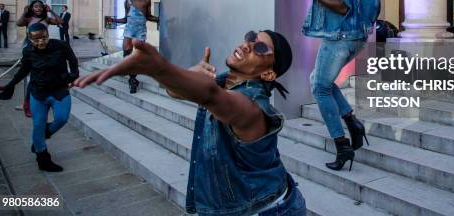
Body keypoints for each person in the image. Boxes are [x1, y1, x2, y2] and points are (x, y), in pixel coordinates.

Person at [74, 30, 306, 216]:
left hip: (266, 209)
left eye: (261, 48)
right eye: (251, 37)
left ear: (267, 74)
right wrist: (187, 75)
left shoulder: (253, 108)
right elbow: (181, 93)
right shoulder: (225, 81)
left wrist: (158, 67)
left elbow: (210, 96)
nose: (247, 45)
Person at [302, 0, 383, 171]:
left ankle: (342, 145)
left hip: (339, 37)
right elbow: (376, 7)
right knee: (321, 80)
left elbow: (342, 5)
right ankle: (353, 123)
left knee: (319, 87)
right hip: (360, 36)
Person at [0, 23, 78, 172]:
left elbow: (73, 61)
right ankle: (42, 157)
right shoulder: (28, 51)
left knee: (61, 118)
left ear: (48, 35)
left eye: (44, 38)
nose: (40, 42)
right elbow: (23, 71)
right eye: (36, 40)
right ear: (30, 39)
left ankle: (43, 134)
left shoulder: (61, 46)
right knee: (38, 125)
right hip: (38, 93)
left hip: (59, 90)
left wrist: (72, 76)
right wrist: (11, 85)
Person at [16, 0, 63, 117]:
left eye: (40, 7)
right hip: (30, 49)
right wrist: (24, 12)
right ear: (32, 8)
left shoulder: (46, 19)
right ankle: (27, 104)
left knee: (37, 77)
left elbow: (60, 21)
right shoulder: (28, 18)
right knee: (33, 77)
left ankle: (34, 102)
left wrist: (51, 10)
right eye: (36, 6)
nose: (38, 8)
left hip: (43, 49)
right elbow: (19, 23)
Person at [110, 0, 158, 93]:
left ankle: (133, 80)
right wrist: (114, 20)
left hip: (140, 31)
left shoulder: (147, 1)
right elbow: (125, 19)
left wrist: (161, 18)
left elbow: (149, 16)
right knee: (126, 54)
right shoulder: (127, 2)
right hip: (129, 31)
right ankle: (132, 80)